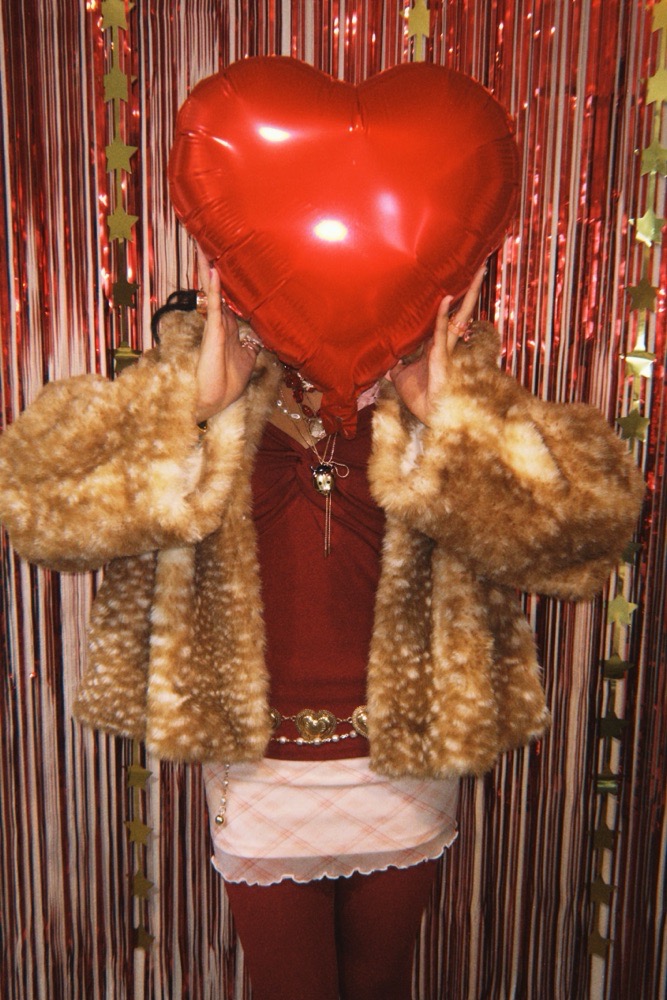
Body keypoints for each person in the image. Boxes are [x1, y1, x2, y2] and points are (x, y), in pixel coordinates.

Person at [0, 256, 643, 1000]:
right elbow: (37, 513)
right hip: (258, 765)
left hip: (405, 757)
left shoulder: (441, 370)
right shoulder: (204, 366)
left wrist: (460, 420)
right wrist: (188, 405)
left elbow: (588, 536)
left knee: (380, 987)